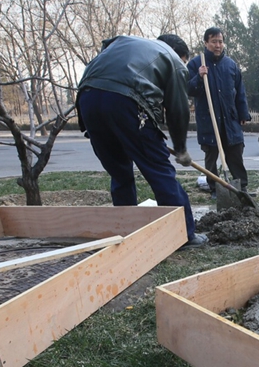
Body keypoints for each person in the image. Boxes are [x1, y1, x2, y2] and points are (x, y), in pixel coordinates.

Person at [76, 34, 207, 249]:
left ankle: (127, 229)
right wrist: (181, 149)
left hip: (88, 98)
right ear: (179, 53)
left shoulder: (124, 42)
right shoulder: (173, 60)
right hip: (127, 101)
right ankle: (183, 233)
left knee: (119, 171)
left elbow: (105, 55)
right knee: (158, 169)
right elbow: (178, 109)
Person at [187, 27, 252, 194]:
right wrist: (199, 78)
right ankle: (215, 188)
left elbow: (240, 91)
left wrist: (243, 113)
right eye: (214, 41)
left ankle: (241, 187)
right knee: (211, 155)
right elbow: (188, 89)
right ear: (206, 43)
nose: (218, 45)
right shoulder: (195, 64)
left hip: (230, 119)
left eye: (220, 41)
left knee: (235, 153)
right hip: (209, 119)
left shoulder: (231, 65)